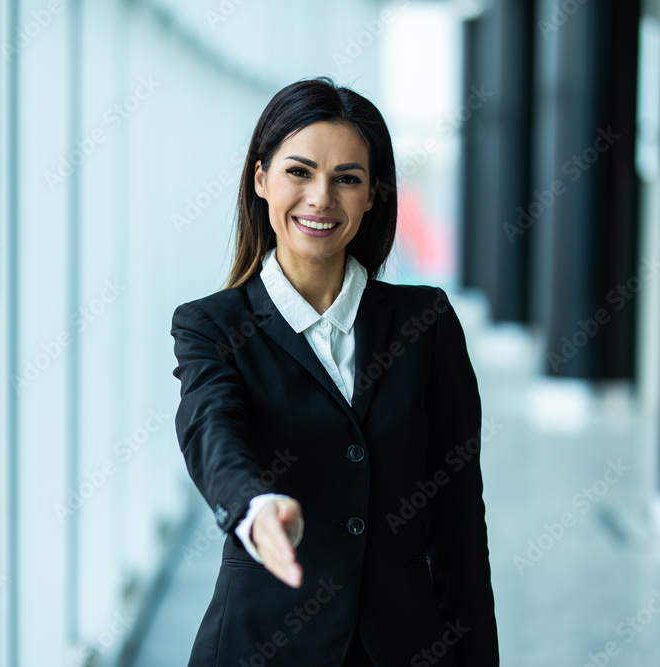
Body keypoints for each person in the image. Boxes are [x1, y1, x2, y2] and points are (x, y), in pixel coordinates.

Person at [169, 76, 499, 666]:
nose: (321, 197)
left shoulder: (426, 323)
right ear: (261, 178)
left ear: (372, 195)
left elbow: (458, 524)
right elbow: (209, 428)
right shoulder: (212, 326)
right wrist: (251, 505)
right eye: (299, 172)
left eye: (347, 179)